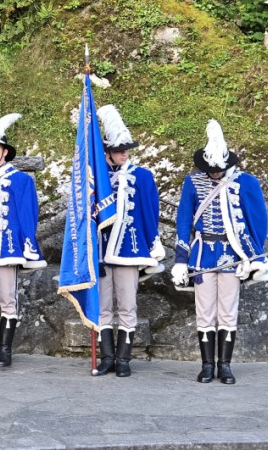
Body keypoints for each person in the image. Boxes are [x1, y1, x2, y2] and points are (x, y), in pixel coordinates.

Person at [171, 120, 268, 384]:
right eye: (211, 170)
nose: (215, 174)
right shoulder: (192, 182)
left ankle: (225, 366)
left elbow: (257, 221)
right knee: (204, 311)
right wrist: (181, 259)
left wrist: (253, 256)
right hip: (202, 253)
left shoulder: (246, 182)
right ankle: (207, 366)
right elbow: (183, 221)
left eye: (219, 170)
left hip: (231, 254)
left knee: (228, 310)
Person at [94, 105, 165, 378]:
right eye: (119, 150)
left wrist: (151, 243)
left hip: (129, 249)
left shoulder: (143, 176)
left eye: (127, 149)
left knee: (127, 305)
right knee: (102, 307)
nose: (125, 154)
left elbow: (150, 212)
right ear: (108, 151)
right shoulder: (95, 178)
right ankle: (107, 357)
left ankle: (124, 359)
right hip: (101, 251)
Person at [0, 113, 46, 368]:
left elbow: (28, 214)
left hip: (7, 245)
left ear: (5, 152)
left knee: (7, 299)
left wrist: (29, 245)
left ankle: (6, 350)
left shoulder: (21, 180)